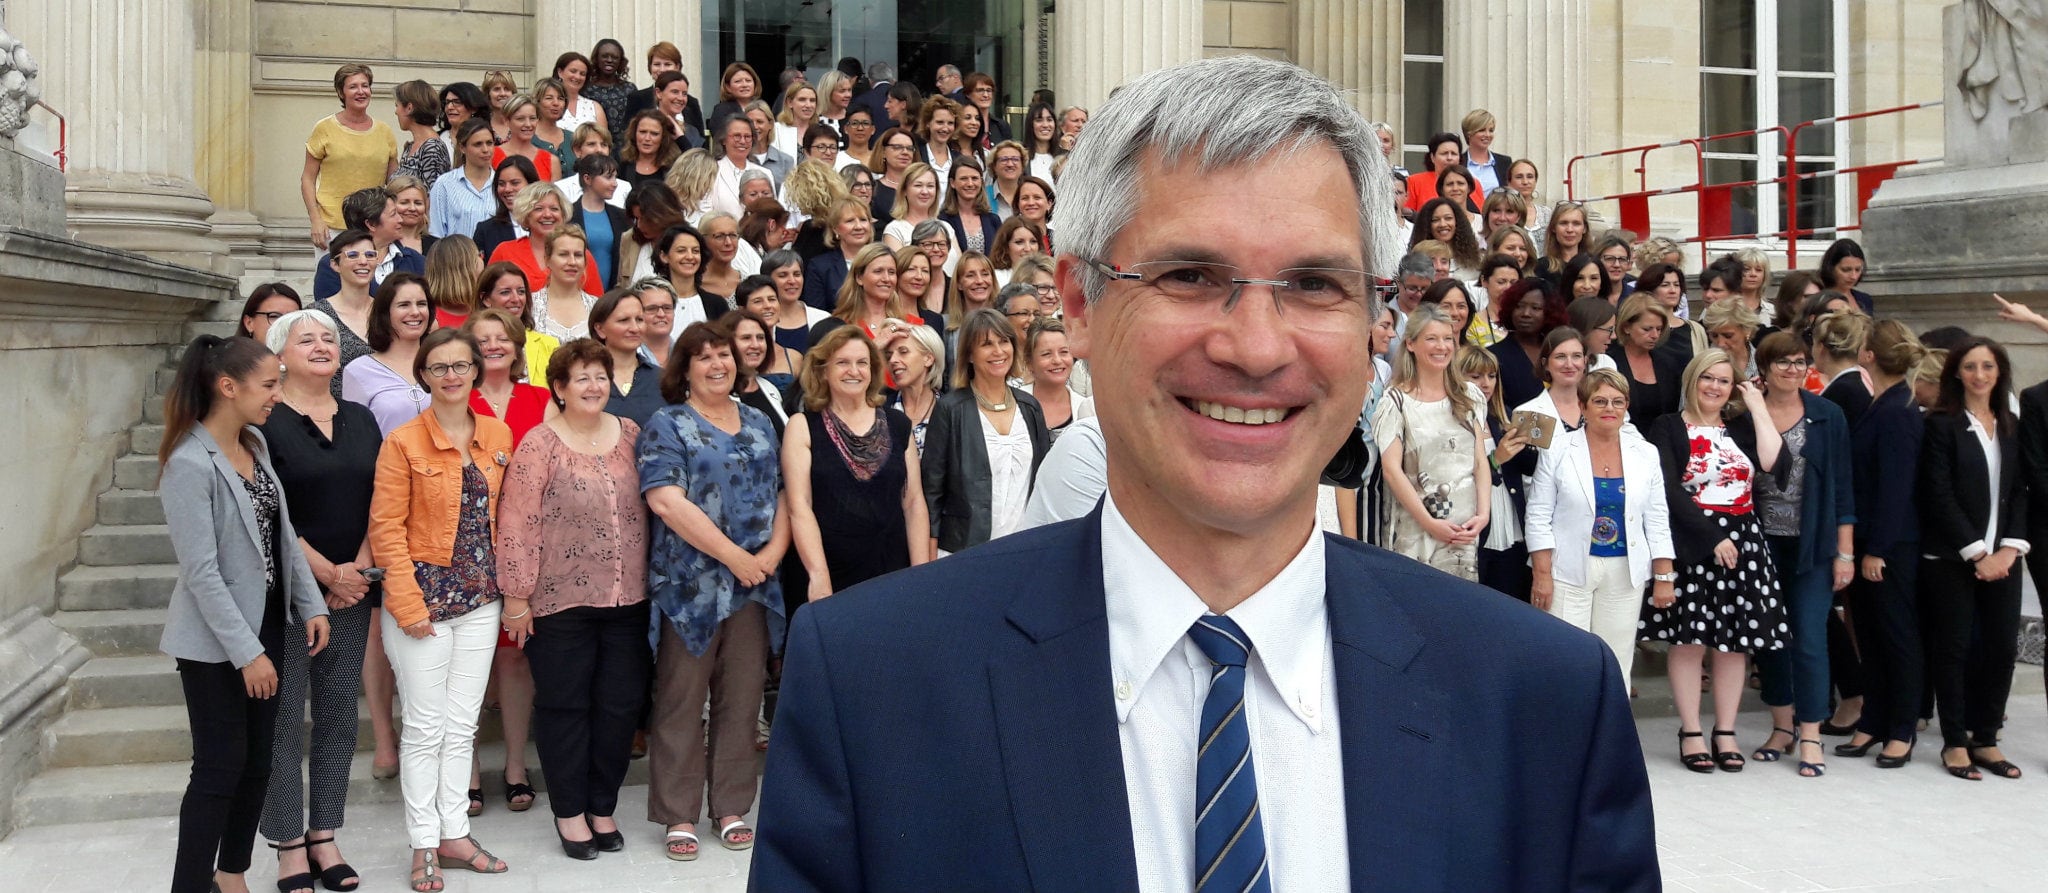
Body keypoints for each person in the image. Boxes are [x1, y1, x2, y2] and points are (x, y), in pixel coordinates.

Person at [752, 56, 1656, 891]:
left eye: (1313, 284)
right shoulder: (872, 687)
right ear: (1078, 303)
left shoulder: (1549, 705)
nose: (1257, 348)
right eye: (1189, 274)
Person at [160, 334, 331, 893]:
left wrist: (309, 603)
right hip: (216, 642)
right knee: (218, 768)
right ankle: (189, 884)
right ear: (227, 387)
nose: (277, 395)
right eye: (268, 384)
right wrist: (248, 653)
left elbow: (282, 534)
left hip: (267, 624)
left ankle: (230, 875)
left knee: (258, 763)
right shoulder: (189, 463)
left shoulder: (254, 443)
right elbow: (202, 574)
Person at [492, 337, 651, 860]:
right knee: (565, 707)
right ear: (558, 388)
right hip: (558, 603)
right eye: (580, 377)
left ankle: (602, 805)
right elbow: (516, 523)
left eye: (600, 375)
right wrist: (516, 597)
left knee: (620, 707)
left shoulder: (630, 433)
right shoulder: (540, 443)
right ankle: (570, 813)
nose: (592, 385)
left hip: (628, 599)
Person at [368, 327, 515, 890]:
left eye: (461, 366)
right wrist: (406, 606)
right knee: (426, 728)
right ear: (423, 375)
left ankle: (455, 832)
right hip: (421, 603)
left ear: (477, 370)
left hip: (481, 599)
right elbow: (385, 529)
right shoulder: (402, 441)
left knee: (462, 725)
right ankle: (423, 842)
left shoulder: (498, 434)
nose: (451, 376)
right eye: (439, 367)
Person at [638, 322, 788, 861]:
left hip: (754, 587)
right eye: (702, 357)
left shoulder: (758, 421)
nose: (717, 364)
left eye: (723, 354)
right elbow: (664, 501)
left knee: (742, 700)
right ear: (685, 369)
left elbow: (784, 492)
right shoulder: (667, 423)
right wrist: (736, 558)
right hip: (689, 588)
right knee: (681, 701)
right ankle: (679, 813)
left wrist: (768, 558)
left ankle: (730, 807)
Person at [255, 311, 377, 893]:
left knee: (335, 715)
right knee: (284, 717)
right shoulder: (263, 424)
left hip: (352, 590)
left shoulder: (362, 418)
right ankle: (287, 842)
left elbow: (384, 499)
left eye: (330, 337)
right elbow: (269, 511)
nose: (323, 345)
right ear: (279, 354)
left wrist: (352, 572)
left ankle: (325, 833)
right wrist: (326, 574)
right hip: (286, 593)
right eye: (307, 338)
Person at [1746, 331, 1856, 778]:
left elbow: (1844, 487)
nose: (1792, 370)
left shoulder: (1828, 415)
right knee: (1770, 640)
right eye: (1782, 363)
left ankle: (1810, 731)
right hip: (1762, 544)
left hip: (1813, 545)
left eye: (1799, 362)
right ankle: (1781, 727)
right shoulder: (1745, 416)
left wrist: (1845, 553)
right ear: (1765, 369)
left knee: (1809, 638)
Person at [1918, 337, 2028, 781]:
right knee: (1954, 648)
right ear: (1956, 374)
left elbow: (2022, 490)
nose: (1979, 375)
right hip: (1953, 558)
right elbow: (1937, 494)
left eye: (1987, 366)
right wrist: (1977, 552)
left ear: (1999, 372)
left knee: (2002, 648)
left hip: (2004, 557)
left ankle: (1986, 738)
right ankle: (1954, 742)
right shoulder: (1940, 424)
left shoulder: (2011, 424)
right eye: (1969, 367)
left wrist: (2008, 549)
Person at [1526, 367, 1674, 682]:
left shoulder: (1646, 454)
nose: (1610, 409)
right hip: (1567, 570)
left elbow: (1657, 517)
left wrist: (1664, 575)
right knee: (1567, 658)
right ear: (1583, 407)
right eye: (1600, 401)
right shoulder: (1559, 449)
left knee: (1616, 659)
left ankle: (1610, 729)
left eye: (1618, 402)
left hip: (1624, 570)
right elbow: (1538, 514)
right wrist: (1541, 575)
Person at [783, 324, 930, 610]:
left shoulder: (899, 424)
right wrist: (819, 576)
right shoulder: (802, 426)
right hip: (829, 572)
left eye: (862, 362)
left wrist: (921, 573)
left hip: (892, 569)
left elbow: (913, 502)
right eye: (843, 363)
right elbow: (798, 506)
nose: (854, 371)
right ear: (823, 370)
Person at [1836, 321, 1926, 767]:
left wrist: (1878, 551)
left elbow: (1897, 488)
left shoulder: (1898, 410)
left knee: (1896, 636)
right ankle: (1873, 719)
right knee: (1869, 635)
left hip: (1889, 547)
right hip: (1872, 540)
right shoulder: (1886, 403)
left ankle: (1902, 727)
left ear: (1869, 355)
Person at [919, 306, 1049, 556]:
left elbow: (1043, 479)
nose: (998, 351)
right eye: (987, 344)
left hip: (1025, 548)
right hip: (963, 551)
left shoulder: (1030, 407)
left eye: (1004, 341)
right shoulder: (950, 409)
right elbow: (932, 490)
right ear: (969, 354)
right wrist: (929, 557)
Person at [1375, 305, 1490, 580]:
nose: (1442, 346)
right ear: (1411, 343)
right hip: (1416, 531)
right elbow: (1392, 470)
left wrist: (1483, 514)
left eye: (1447, 338)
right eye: (1432, 338)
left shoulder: (1470, 395)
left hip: (1465, 530)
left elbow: (1479, 461)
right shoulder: (1395, 402)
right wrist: (1429, 523)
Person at [1459, 345, 1531, 600]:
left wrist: (1532, 446)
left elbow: (1527, 469)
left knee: (1510, 595)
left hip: (1509, 519)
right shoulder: (1452, 420)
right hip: (1472, 520)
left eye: (1491, 376)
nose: (1486, 383)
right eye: (1476, 376)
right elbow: (1454, 477)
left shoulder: (1504, 416)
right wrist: (1496, 458)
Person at [301, 64, 398, 251]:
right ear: (341, 92)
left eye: (365, 85)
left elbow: (393, 183)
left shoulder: (385, 131)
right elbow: (307, 178)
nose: (361, 91)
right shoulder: (324, 128)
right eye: (353, 86)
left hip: (374, 227)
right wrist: (315, 219)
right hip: (332, 227)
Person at [341, 273, 434, 436]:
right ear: (385, 313)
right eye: (404, 305)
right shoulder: (358, 371)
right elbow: (354, 437)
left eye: (421, 304)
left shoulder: (444, 363)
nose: (415, 312)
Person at [310, 186, 428, 301]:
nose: (400, 219)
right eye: (393, 214)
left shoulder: (416, 261)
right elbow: (328, 314)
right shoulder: (334, 264)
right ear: (371, 224)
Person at [490, 183, 605, 297]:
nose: (547, 214)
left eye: (554, 209)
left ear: (563, 214)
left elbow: (597, 305)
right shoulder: (504, 252)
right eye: (539, 209)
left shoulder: (579, 255)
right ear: (526, 215)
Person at [463, 309, 552, 446]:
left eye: (503, 339)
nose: (493, 346)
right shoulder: (459, 399)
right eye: (482, 341)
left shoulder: (542, 398)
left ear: (517, 351)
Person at [586, 288, 664, 427]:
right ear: (600, 329)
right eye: (624, 320)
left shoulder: (663, 379)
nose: (634, 328)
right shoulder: (582, 379)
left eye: (639, 320)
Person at [1489, 277, 1567, 410]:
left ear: (1549, 312)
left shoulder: (1560, 350)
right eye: (1519, 306)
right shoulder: (1494, 355)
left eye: (1535, 308)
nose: (1526, 313)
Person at [1607, 295, 1684, 429]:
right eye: (1647, 329)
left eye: (1659, 329)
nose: (1655, 335)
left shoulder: (1668, 363)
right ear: (1626, 327)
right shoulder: (1609, 362)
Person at [475, 261, 557, 382]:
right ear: (486, 299)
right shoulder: (471, 344)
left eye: (521, 292)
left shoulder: (549, 344)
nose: (516, 299)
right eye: (505, 292)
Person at [1019, 316, 1094, 440]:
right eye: (1046, 354)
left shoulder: (1086, 409)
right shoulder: (1014, 403)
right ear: (1029, 362)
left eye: (1064, 352)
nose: (1057, 360)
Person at [721, 309, 792, 437]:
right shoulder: (718, 394)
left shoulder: (771, 389)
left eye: (760, 338)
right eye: (746, 338)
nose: (755, 345)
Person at [801, 198, 876, 311]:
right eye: (850, 221)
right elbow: (816, 314)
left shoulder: (883, 260)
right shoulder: (820, 267)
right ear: (835, 229)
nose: (858, 226)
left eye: (863, 220)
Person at [430, 120, 499, 241]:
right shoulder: (444, 184)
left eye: (489, 143)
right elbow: (436, 233)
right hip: (455, 257)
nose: (485, 149)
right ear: (462, 147)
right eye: (478, 144)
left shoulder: (502, 184)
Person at [882, 321, 944, 453]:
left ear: (928, 359)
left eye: (903, 352)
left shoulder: (951, 411)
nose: (893, 360)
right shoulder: (880, 406)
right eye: (888, 356)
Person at [469, 155, 537, 260]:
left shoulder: (547, 225)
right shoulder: (486, 230)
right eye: (501, 184)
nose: (507, 189)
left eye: (515, 183)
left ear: (531, 184)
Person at [394, 80, 451, 188]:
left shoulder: (432, 148)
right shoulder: (411, 147)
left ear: (409, 108)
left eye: (397, 105)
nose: (396, 111)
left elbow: (432, 195)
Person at [584, 39, 639, 148]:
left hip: (626, 150)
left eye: (615, 57)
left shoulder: (629, 89)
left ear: (620, 61)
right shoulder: (586, 89)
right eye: (605, 56)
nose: (609, 60)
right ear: (596, 59)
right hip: (597, 148)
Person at [491, 94, 557, 182]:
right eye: (520, 119)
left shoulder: (551, 161)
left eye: (532, 118)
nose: (528, 124)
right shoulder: (491, 155)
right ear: (507, 121)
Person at [1403, 131, 1472, 212]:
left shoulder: (1472, 182)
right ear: (1432, 157)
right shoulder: (1414, 182)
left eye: (1453, 154)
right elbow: (1406, 214)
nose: (1449, 158)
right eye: (1444, 153)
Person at [619, 108, 683, 189]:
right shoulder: (623, 165)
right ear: (634, 133)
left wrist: (681, 138)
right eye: (642, 132)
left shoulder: (673, 167)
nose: (647, 138)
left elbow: (697, 165)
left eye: (654, 134)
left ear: (663, 137)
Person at [1700, 297, 1760, 379]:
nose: (1720, 343)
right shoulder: (1701, 366)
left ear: (1747, 330)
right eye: (1714, 335)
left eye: (1728, 336)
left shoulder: (1765, 363)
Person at [1818, 238, 1874, 314]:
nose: (1853, 276)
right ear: (1831, 268)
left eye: (1858, 270)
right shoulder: (1818, 298)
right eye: (1846, 270)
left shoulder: (1865, 299)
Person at [436, 82, 488, 162]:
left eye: (457, 102)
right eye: (447, 102)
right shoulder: (437, 138)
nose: (449, 107)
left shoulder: (487, 137)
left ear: (473, 108)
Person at [1566, 296, 1620, 372]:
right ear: (1586, 328)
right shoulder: (1557, 364)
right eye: (1609, 329)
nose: (1614, 336)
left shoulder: (1605, 364)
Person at [237, 283, 303, 344]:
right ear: (249, 323)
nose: (285, 325)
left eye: (294, 317)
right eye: (274, 316)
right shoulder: (232, 356)